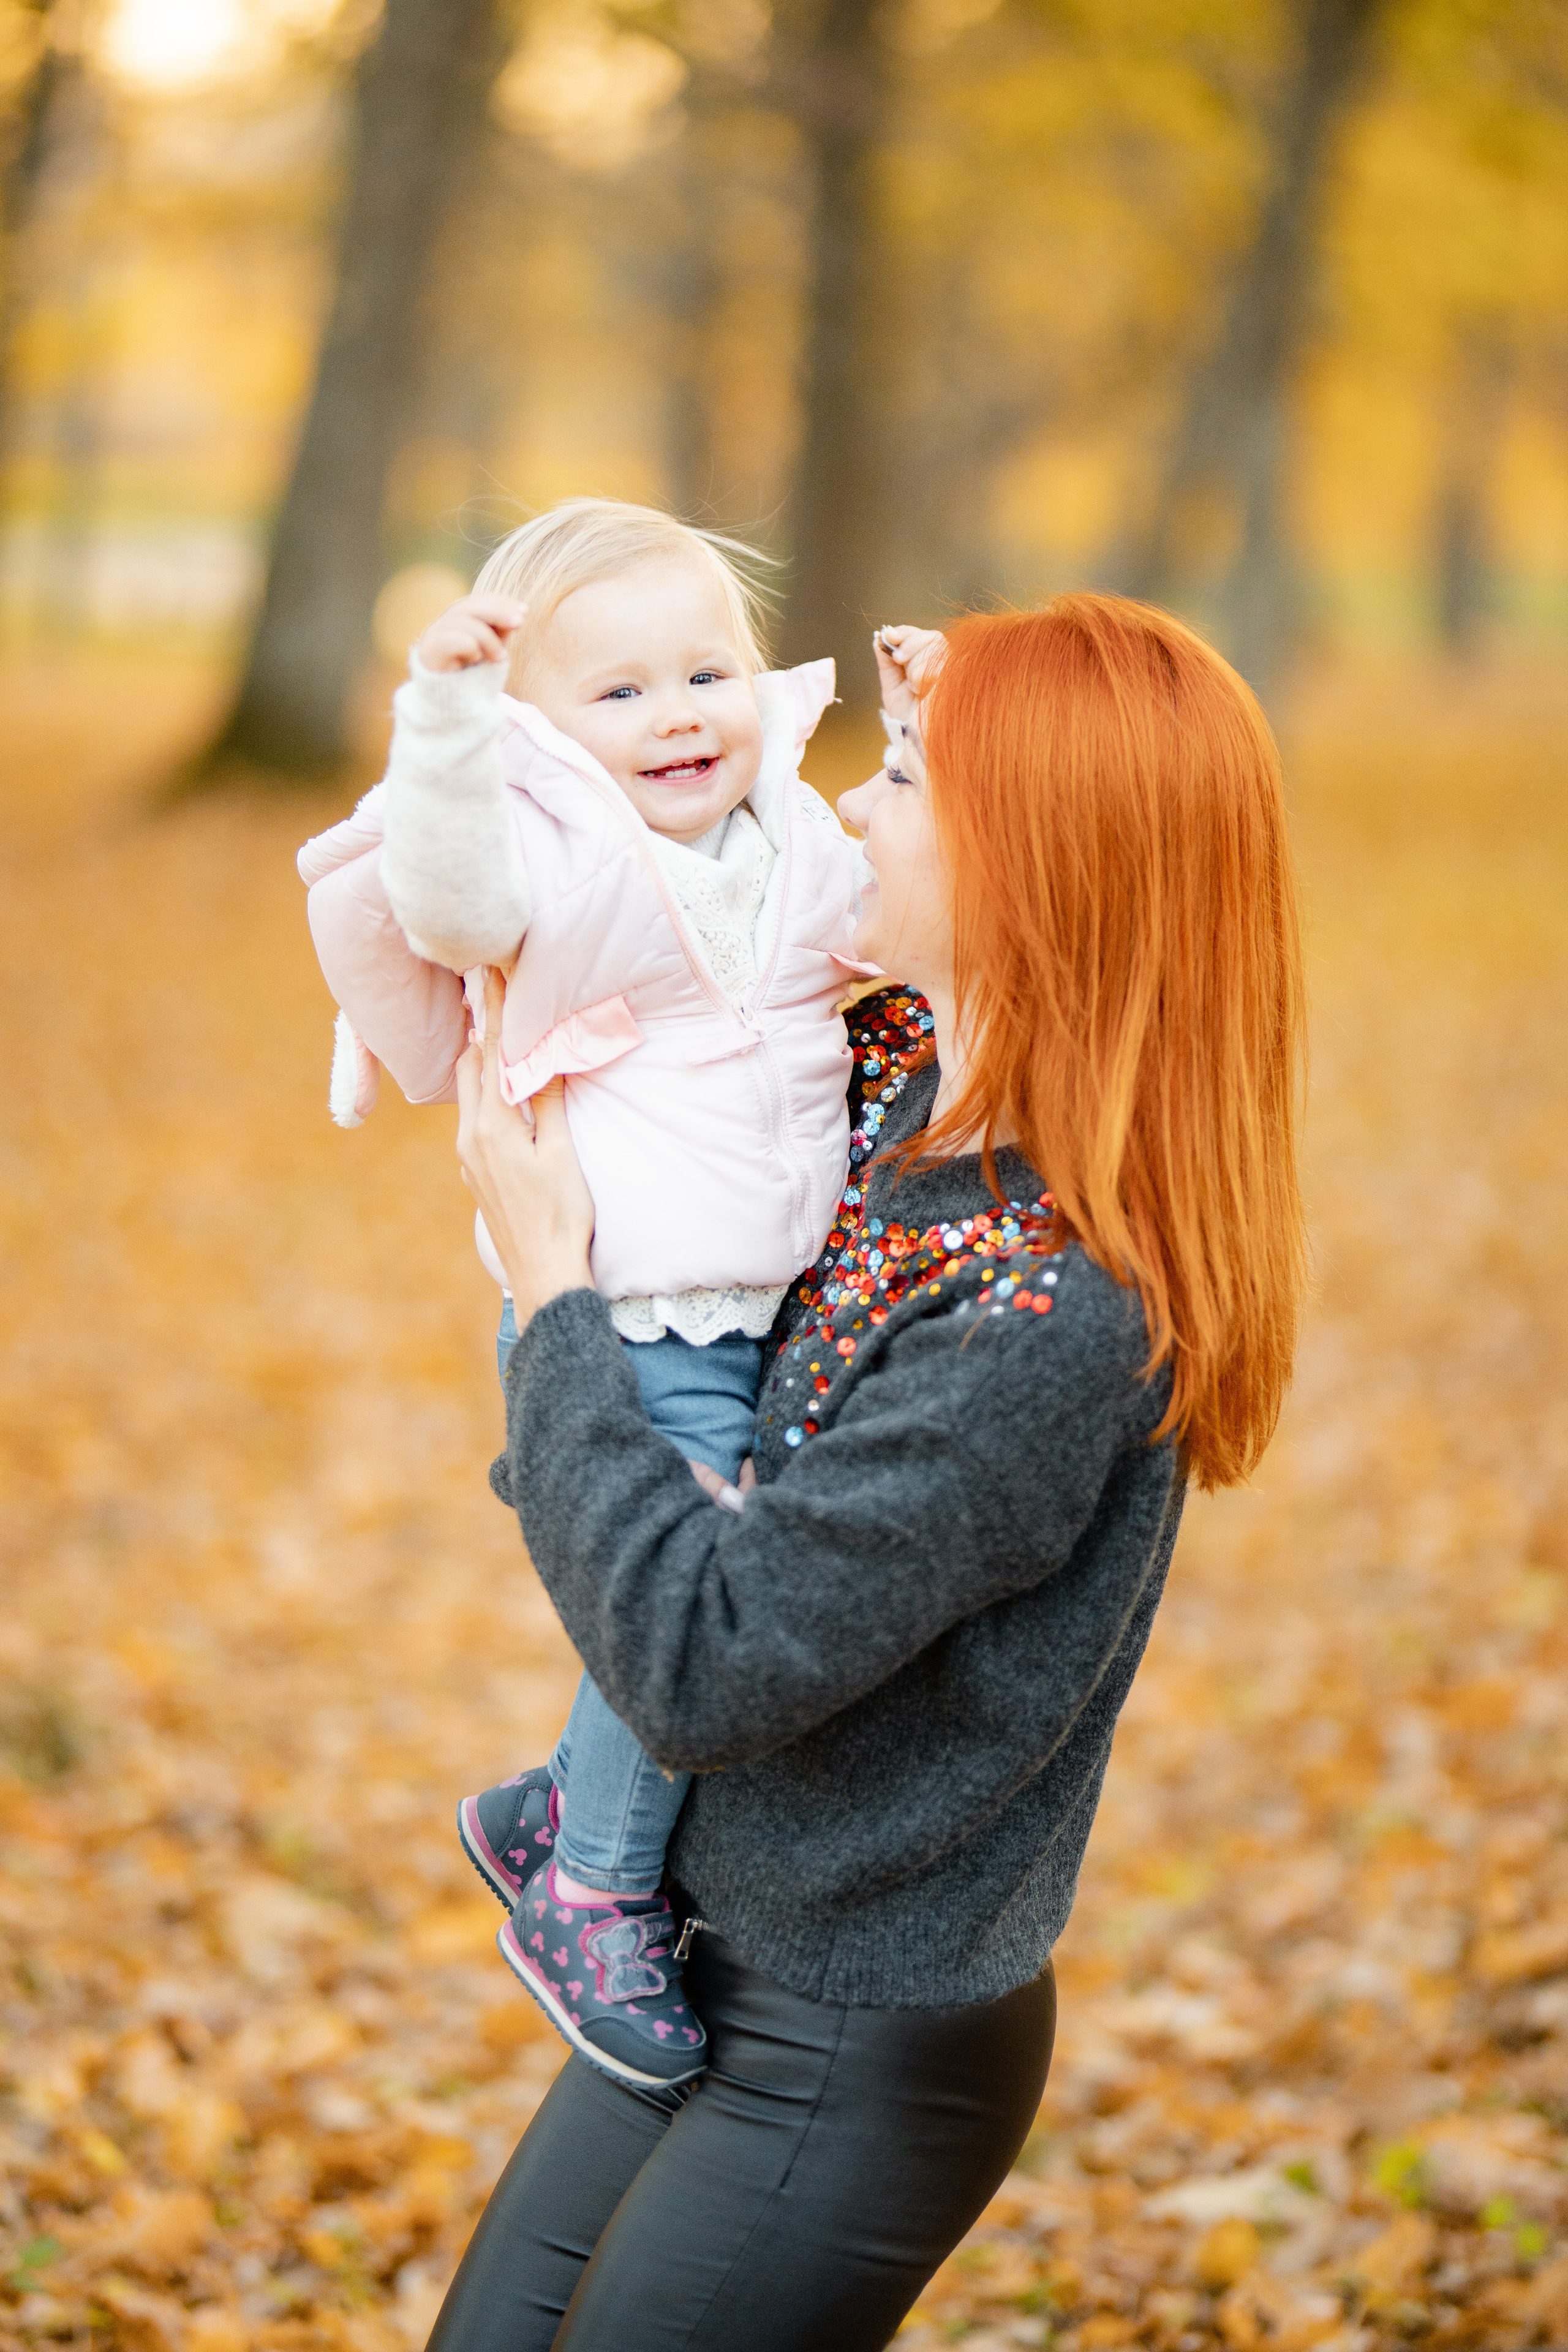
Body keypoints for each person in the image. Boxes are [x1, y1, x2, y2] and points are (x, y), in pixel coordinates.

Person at [431, 592, 1309, 2351]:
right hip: (692, 1960)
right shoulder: (900, 1101)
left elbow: (704, 1661)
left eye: (900, 784)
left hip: (849, 2043)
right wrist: (956, 714)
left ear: (1030, 863)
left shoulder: (1049, 1311)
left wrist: (560, 1313)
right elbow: (715, 923)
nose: (847, 807)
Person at [296, 500, 932, 2087]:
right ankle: (590, 1888)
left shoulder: (786, 840)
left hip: (754, 1300)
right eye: (622, 693)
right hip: (631, 1302)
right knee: (704, 1581)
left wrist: (927, 724)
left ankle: (550, 1808)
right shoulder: (549, 866)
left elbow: (906, 912)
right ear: (546, 737)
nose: (679, 717)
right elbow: (444, 896)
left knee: (738, 1567)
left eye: (706, 673)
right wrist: (445, 720)